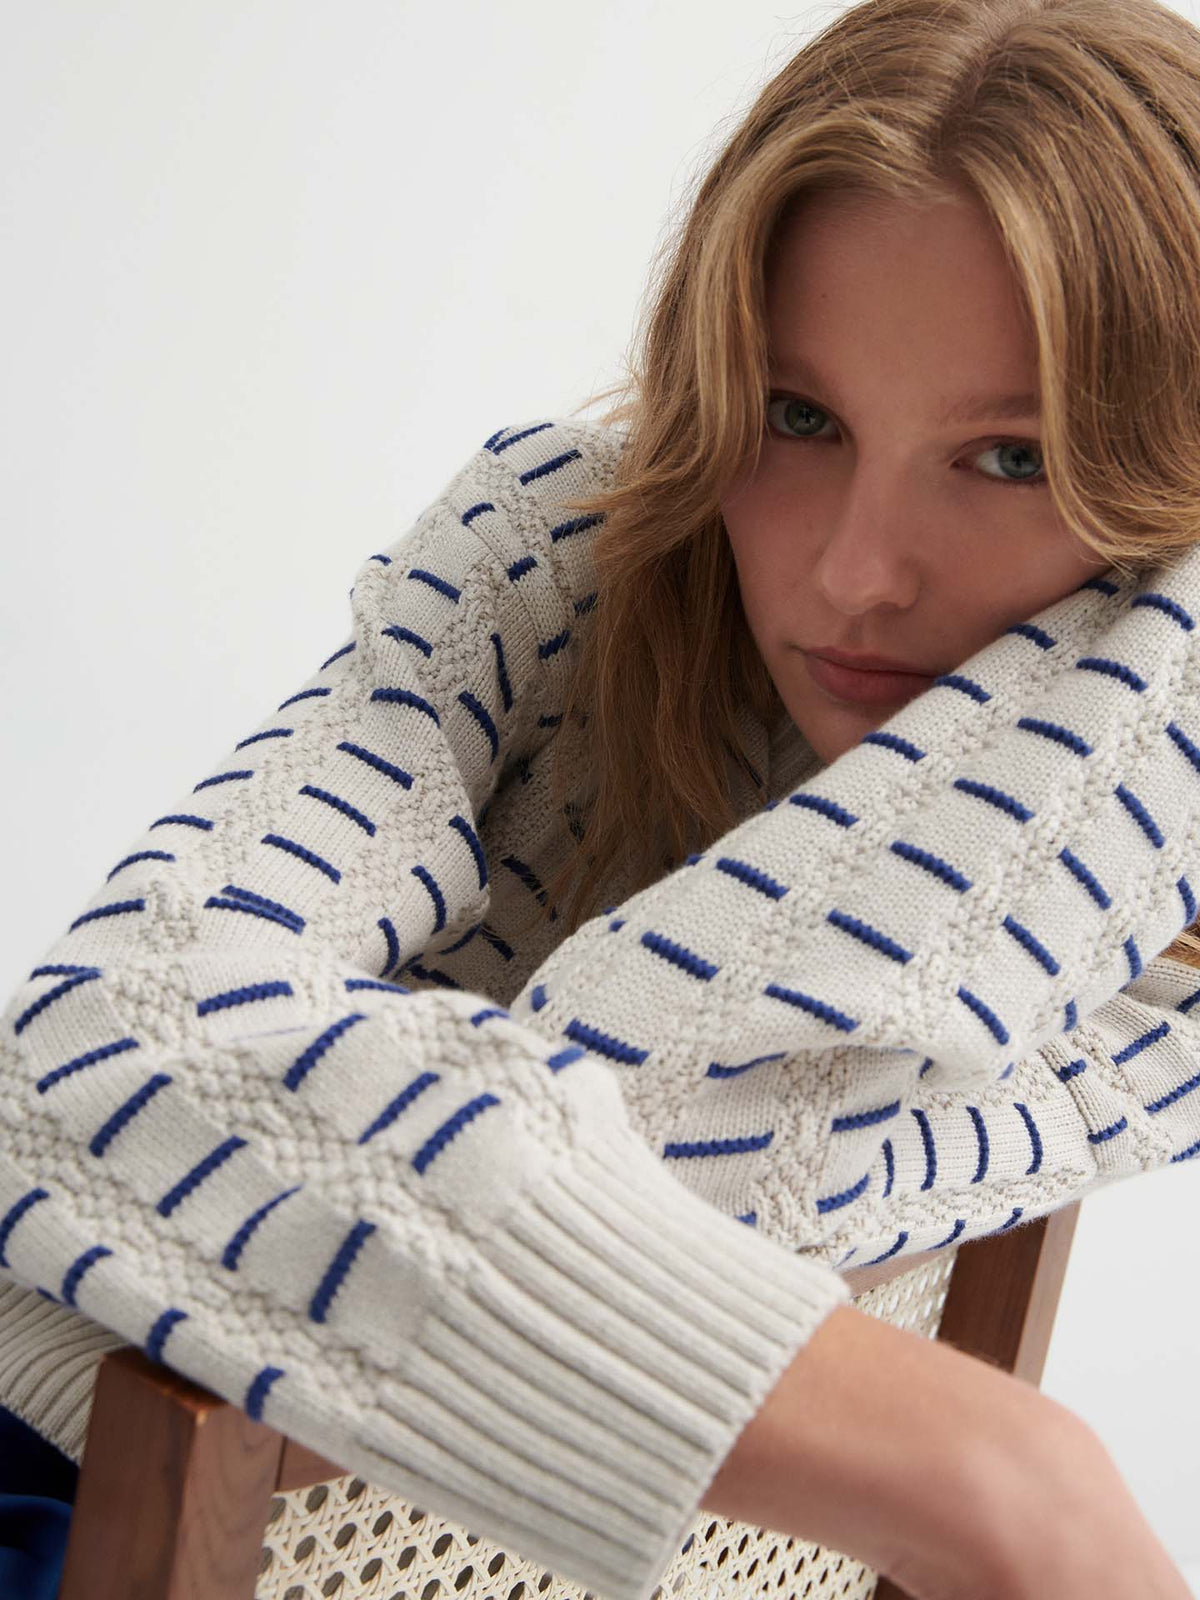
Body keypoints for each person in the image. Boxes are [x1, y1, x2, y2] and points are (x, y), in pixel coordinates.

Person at [2, 0, 1199, 1597]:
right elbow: (106, 1035)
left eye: (1009, 456)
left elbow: (666, 1144)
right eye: (798, 418)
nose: (849, 575)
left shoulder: (1136, 927)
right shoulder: (563, 562)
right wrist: (995, 1468)